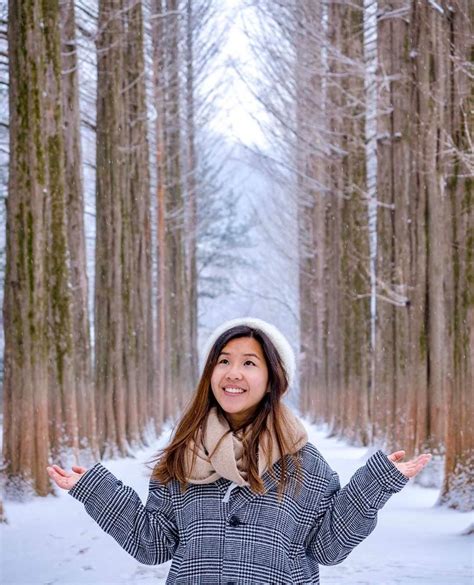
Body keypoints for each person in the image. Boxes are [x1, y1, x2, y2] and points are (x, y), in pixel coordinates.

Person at [47, 317, 431, 584]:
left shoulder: (303, 464)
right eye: (224, 362)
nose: (233, 373)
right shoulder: (183, 454)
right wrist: (97, 490)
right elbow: (153, 543)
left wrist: (376, 484)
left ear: (271, 380)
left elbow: (327, 547)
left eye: (249, 363)